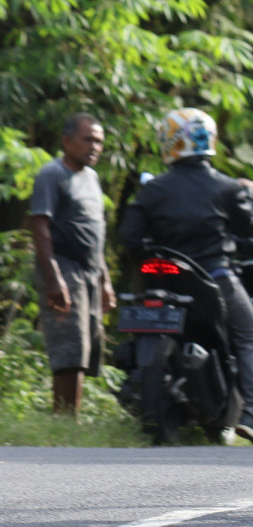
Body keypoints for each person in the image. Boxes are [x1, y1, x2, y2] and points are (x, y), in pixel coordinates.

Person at [121, 109, 253, 446]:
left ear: (169, 141)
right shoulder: (228, 187)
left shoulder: (152, 189)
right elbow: (248, 229)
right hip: (215, 276)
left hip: (164, 280)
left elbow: (130, 238)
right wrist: (247, 197)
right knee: (251, 335)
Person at [26, 113, 113, 416]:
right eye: (88, 139)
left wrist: (105, 280)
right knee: (70, 347)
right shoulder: (52, 174)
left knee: (86, 347)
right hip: (63, 266)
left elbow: (93, 233)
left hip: (89, 271)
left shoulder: (92, 178)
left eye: (99, 141)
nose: (94, 147)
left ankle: (68, 417)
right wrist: (54, 278)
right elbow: (40, 225)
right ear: (67, 141)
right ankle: (65, 420)